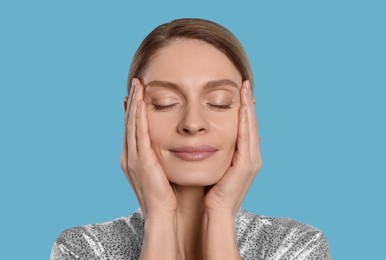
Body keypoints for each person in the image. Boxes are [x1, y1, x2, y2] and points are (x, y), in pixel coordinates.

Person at [50, 18, 331, 260]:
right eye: (165, 102)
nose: (193, 123)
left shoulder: (297, 245)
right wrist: (159, 218)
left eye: (219, 102)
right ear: (130, 115)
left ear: (249, 116)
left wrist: (220, 215)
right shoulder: (82, 248)